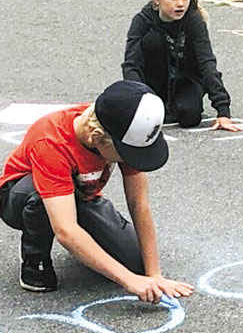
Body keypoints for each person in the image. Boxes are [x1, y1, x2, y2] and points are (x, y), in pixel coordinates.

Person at [0, 80, 194, 301]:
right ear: (96, 138)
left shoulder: (121, 125)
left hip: (81, 196)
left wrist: (153, 274)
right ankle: (35, 263)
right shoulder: (51, 141)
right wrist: (129, 281)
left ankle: (86, 245)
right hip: (20, 196)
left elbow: (139, 203)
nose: (132, 160)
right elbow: (66, 230)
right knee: (41, 202)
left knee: (134, 262)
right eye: (127, 154)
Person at [122, 0, 243, 132]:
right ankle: (158, 101)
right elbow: (131, 65)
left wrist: (223, 111)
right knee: (153, 40)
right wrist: (137, 100)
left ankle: (177, 103)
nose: (180, 4)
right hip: (154, 79)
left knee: (189, 115)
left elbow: (207, 62)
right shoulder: (143, 20)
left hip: (186, 79)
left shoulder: (193, 20)